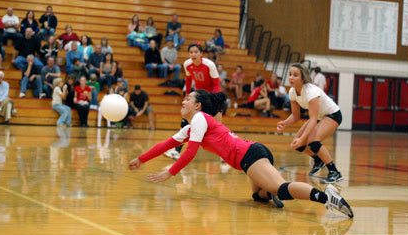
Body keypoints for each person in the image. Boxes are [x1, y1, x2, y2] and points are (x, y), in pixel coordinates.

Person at [129, 89, 354, 219]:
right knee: (258, 197)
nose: (183, 100)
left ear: (198, 106)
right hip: (250, 156)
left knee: (281, 188)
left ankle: (327, 198)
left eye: (188, 98)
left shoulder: (199, 119)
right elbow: (165, 144)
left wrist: (170, 172)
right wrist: (141, 159)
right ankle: (269, 191)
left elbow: (190, 153)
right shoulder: (192, 126)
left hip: (250, 156)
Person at [277, 63, 344, 183]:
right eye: (290, 74)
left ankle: (335, 172)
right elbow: (295, 116)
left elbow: (312, 119)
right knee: (298, 144)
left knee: (313, 142)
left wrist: (303, 138)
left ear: (303, 78)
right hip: (319, 116)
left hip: (332, 114)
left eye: (295, 75)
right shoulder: (292, 91)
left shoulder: (311, 91)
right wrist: (285, 123)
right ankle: (318, 159)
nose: (291, 77)